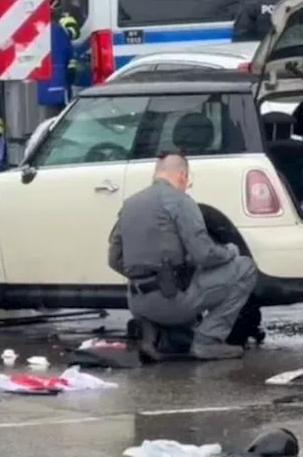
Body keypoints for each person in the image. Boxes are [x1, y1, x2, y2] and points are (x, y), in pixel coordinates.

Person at [108, 153, 259, 361]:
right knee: (245, 267)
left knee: (186, 275)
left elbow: (114, 259)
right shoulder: (180, 201)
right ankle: (208, 340)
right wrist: (230, 251)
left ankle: (157, 332)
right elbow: (204, 254)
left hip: (137, 304)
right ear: (182, 175)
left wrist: (147, 275)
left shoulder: (129, 205)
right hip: (171, 302)